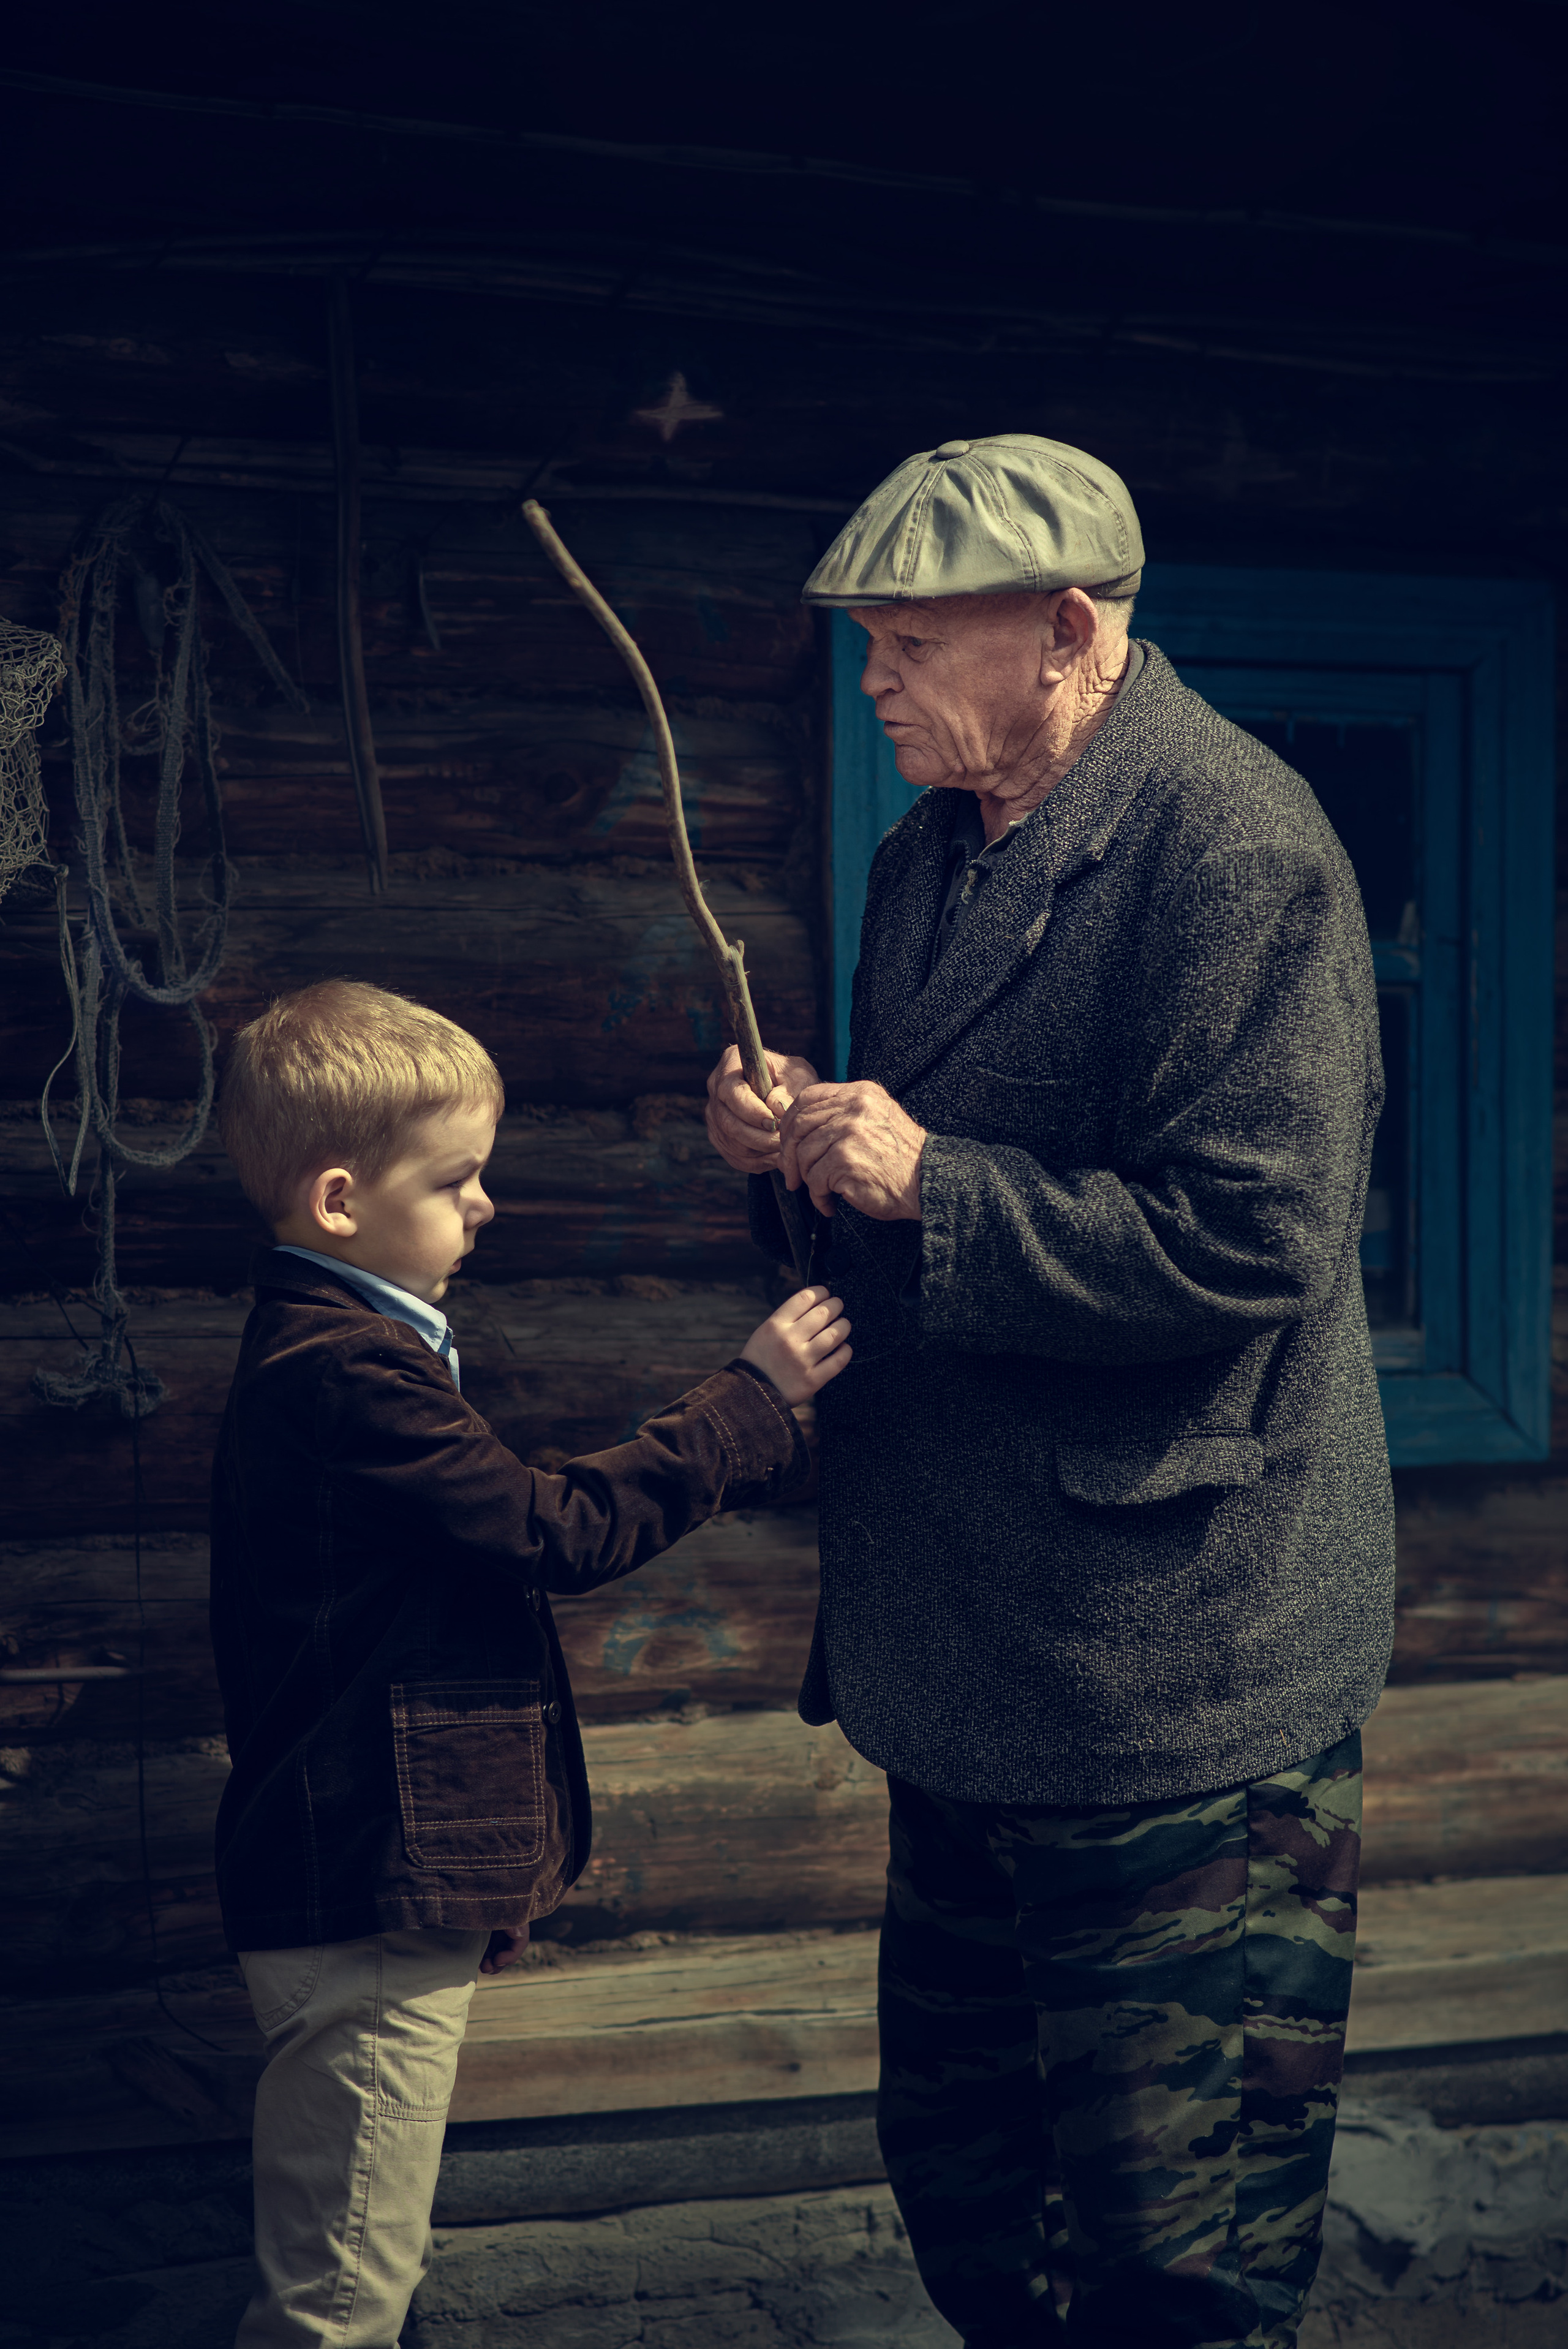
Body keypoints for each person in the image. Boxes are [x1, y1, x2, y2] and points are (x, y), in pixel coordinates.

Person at [704, 435, 1395, 2348]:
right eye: (868, 645)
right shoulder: (927, 855)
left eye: (913, 643)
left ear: (1069, 634)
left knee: (1184, 2257)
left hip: (1169, 1666)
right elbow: (912, 1229)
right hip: (973, 1660)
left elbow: (1254, 1248)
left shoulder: (1237, 851)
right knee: (975, 2190)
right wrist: (803, 1164)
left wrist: (929, 1175)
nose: (874, 684)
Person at [210, 978, 851, 2349]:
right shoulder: (345, 1376)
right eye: (455, 1182)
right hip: (363, 1899)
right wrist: (747, 1405)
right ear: (338, 1203)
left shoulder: (355, 1352)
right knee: (337, 2305)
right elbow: (543, 1529)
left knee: (363, 2261)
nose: (484, 1207)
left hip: (368, 1889)